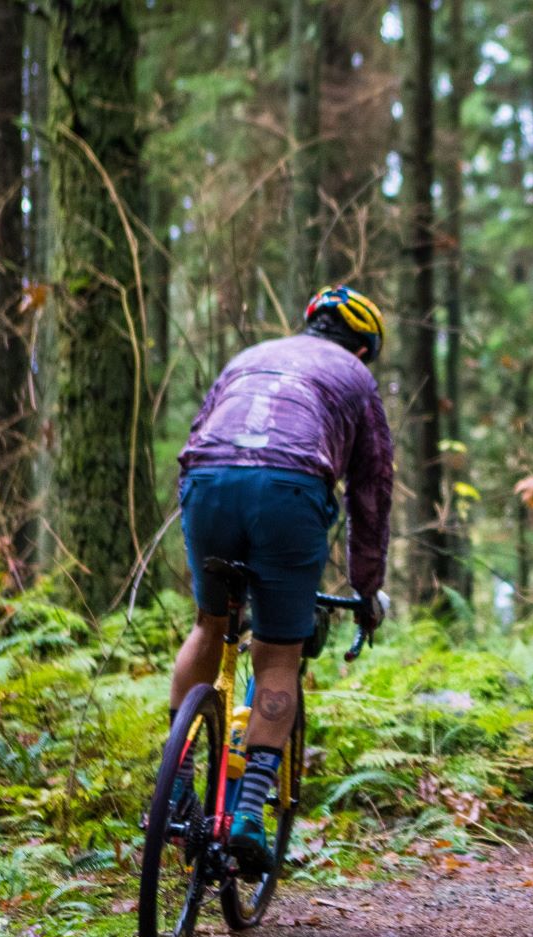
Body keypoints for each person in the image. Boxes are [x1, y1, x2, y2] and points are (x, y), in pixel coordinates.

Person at [167, 286, 394, 873]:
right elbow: (370, 494)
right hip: (290, 488)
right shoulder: (356, 379)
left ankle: (175, 786)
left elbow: (198, 435)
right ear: (363, 348)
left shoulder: (249, 357)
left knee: (209, 624)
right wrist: (367, 588)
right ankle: (247, 815)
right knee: (276, 656)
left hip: (207, 483)